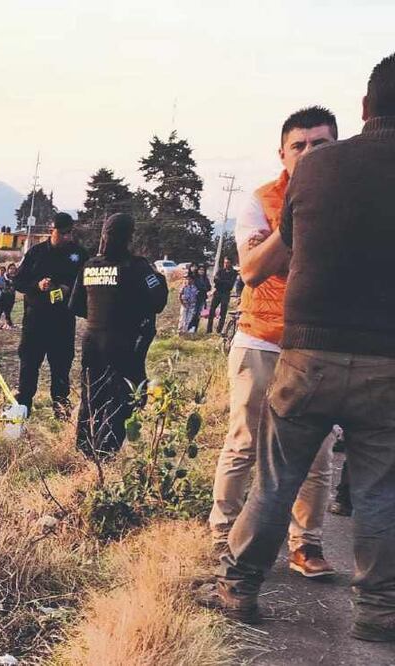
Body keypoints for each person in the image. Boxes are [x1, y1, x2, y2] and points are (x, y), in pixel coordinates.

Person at [204, 55, 395, 640]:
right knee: (377, 491)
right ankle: (379, 613)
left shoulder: (313, 171)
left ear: (363, 111)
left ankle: (238, 587)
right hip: (386, 361)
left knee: (276, 477)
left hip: (305, 351)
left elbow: (278, 253)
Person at [207, 106, 340, 579]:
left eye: (319, 145)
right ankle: (222, 533)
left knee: (318, 454)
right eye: (298, 146)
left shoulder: (352, 200)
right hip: (260, 338)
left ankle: (306, 544)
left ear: (337, 148)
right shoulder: (260, 200)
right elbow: (252, 268)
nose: (307, 154)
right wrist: (297, 228)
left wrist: (283, 246)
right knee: (243, 442)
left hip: (318, 343)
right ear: (281, 153)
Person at [70, 213, 168, 458]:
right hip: (124, 342)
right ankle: (105, 452)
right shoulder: (137, 267)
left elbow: (76, 306)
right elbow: (157, 302)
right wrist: (159, 280)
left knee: (92, 395)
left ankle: (85, 448)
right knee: (125, 396)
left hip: (92, 340)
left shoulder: (91, 266)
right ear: (129, 236)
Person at [13, 212, 89, 419]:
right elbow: (18, 282)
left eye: (70, 233)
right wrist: (37, 285)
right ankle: (23, 409)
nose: (67, 237)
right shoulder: (36, 253)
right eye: (63, 233)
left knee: (61, 367)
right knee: (29, 365)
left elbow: (88, 285)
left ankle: (61, 411)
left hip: (62, 321)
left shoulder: (79, 255)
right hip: (35, 321)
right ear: (51, 231)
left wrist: (69, 289)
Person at [207, 257, 238, 334]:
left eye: (227, 262)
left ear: (231, 263)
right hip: (218, 292)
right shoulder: (220, 271)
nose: (226, 264)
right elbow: (215, 281)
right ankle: (209, 330)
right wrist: (224, 282)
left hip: (226, 294)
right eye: (225, 262)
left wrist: (221, 281)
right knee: (212, 310)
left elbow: (230, 285)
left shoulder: (234, 273)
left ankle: (219, 330)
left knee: (223, 312)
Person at [189, 265, 212, 332]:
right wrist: (203, 288)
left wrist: (204, 289)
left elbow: (209, 287)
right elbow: (196, 286)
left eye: (203, 270)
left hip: (202, 298)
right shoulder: (195, 278)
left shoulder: (205, 279)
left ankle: (195, 328)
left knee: (198, 313)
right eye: (200, 269)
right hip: (195, 297)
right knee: (194, 312)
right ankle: (190, 327)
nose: (201, 271)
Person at [178, 266, 199, 334]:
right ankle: (180, 331)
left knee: (188, 319)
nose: (189, 280)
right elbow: (180, 295)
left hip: (192, 305)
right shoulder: (184, 287)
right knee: (182, 318)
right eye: (187, 279)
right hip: (185, 304)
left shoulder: (194, 287)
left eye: (190, 279)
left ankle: (185, 331)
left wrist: (194, 303)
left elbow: (196, 296)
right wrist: (182, 303)